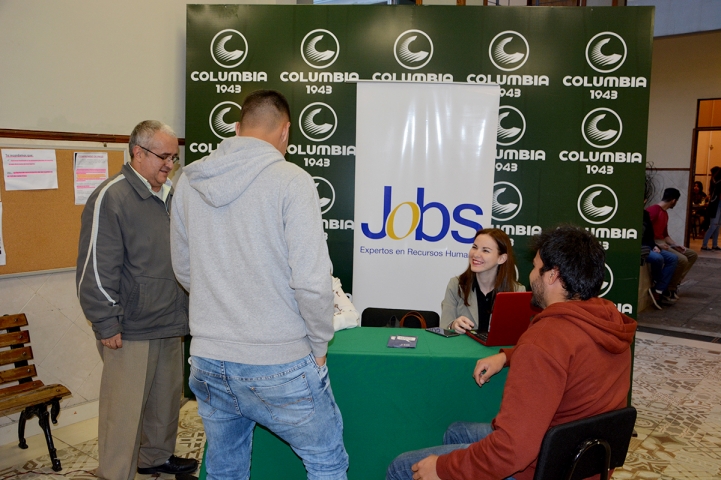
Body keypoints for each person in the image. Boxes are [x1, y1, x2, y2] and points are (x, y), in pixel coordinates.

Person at [170, 90, 349, 479]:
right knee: (326, 460)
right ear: (285, 132)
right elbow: (312, 283)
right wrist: (319, 345)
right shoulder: (292, 180)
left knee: (224, 467)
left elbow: (185, 270)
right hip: (279, 359)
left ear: (236, 128)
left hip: (208, 358)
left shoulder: (187, 180)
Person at [386, 225, 637, 480]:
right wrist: (507, 356)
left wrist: (443, 468)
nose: (531, 276)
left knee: (402, 467)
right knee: (457, 431)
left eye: (536, 267)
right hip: (582, 464)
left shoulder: (544, 339)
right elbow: (567, 356)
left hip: (541, 468)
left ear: (552, 276)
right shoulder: (610, 324)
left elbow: (511, 451)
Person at [76, 120, 197, 480]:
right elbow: (95, 268)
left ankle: (154, 458)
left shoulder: (170, 194)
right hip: (129, 329)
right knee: (124, 413)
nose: (169, 164)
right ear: (137, 153)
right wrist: (105, 321)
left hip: (169, 320)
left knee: (165, 403)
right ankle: (116, 472)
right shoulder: (111, 196)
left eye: (174, 157)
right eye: (163, 156)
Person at [441, 228, 525, 334]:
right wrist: (453, 325)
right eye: (474, 247)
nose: (476, 254)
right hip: (463, 349)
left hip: (498, 350)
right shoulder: (456, 285)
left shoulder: (517, 291)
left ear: (502, 258)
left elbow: (518, 334)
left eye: (485, 250)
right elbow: (444, 327)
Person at [646, 187, 698, 299]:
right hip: (653, 241)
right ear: (674, 200)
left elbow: (665, 235)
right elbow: (645, 232)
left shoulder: (665, 213)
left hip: (662, 241)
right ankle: (669, 287)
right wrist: (656, 245)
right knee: (681, 260)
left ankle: (674, 283)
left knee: (691, 254)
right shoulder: (654, 210)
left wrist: (675, 245)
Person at [643, 200, 678, 309]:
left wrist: (654, 245)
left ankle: (659, 289)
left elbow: (649, 234)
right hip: (640, 247)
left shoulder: (645, 214)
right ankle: (658, 283)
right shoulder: (653, 211)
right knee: (658, 258)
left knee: (673, 258)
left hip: (649, 245)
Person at [702, 167, 721, 251]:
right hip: (715, 204)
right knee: (714, 226)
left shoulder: (715, 180)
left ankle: (714, 245)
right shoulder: (715, 181)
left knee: (717, 226)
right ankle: (704, 245)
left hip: (718, 204)